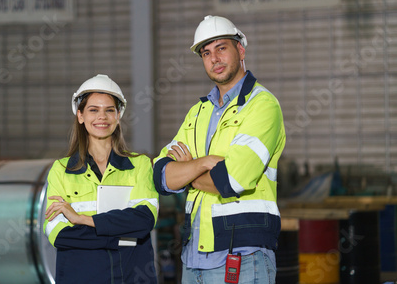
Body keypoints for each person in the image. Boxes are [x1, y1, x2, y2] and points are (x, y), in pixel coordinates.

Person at [153, 15, 286, 283]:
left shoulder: (261, 106)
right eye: (206, 52)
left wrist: (188, 170)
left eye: (221, 48)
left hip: (243, 256)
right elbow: (161, 177)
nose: (214, 58)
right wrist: (203, 164)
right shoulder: (198, 112)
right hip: (193, 258)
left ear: (240, 50)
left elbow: (232, 179)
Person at [44, 74, 159, 284]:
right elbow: (59, 235)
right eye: (93, 110)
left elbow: (144, 221)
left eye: (109, 110)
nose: (102, 117)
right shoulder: (61, 170)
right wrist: (121, 237)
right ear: (80, 116)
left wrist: (83, 220)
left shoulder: (140, 165)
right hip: (81, 276)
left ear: (118, 115)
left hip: (130, 276)